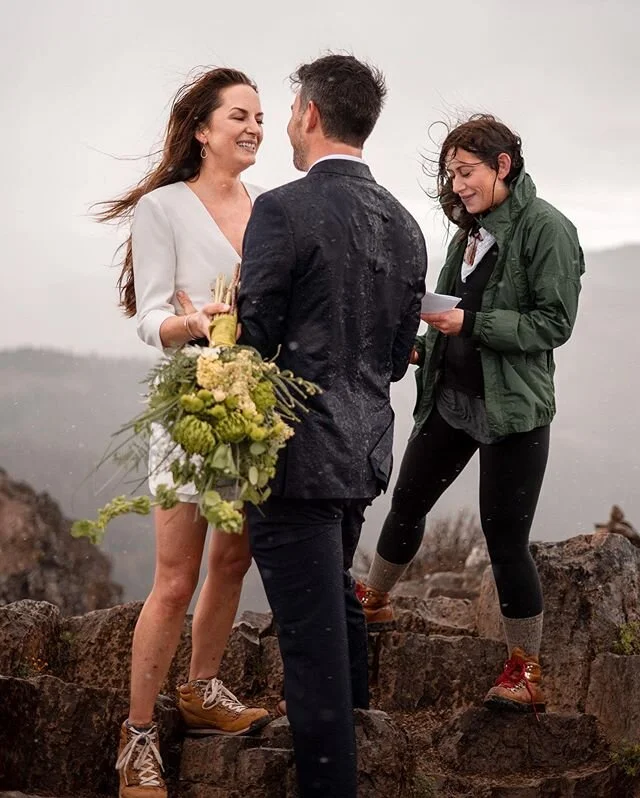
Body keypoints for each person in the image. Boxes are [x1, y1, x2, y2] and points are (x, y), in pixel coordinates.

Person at [237, 54, 427, 797]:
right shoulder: (406, 226)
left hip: (294, 456)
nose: (285, 122)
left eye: (288, 111)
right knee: (334, 606)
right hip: (363, 451)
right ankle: (360, 739)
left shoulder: (282, 209)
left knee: (309, 650)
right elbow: (392, 359)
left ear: (310, 115)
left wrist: (210, 341)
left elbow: (255, 340)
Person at [358, 114, 585, 714]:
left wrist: (471, 324)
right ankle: (375, 599)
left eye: (466, 172)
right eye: (451, 173)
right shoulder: (469, 231)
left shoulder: (548, 230)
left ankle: (527, 670)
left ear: (501, 166)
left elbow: (553, 325)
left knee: (504, 537)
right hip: (452, 397)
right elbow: (451, 308)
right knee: (406, 501)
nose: (455, 185)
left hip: (513, 410)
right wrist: (424, 343)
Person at [97, 67, 270, 798]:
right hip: (189, 398)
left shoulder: (265, 208)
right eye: (239, 115)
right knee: (175, 575)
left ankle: (201, 690)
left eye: (260, 116)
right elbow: (147, 317)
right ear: (202, 129)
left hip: (254, 399)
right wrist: (187, 325)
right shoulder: (165, 207)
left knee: (232, 560)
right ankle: (137, 735)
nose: (254, 126)